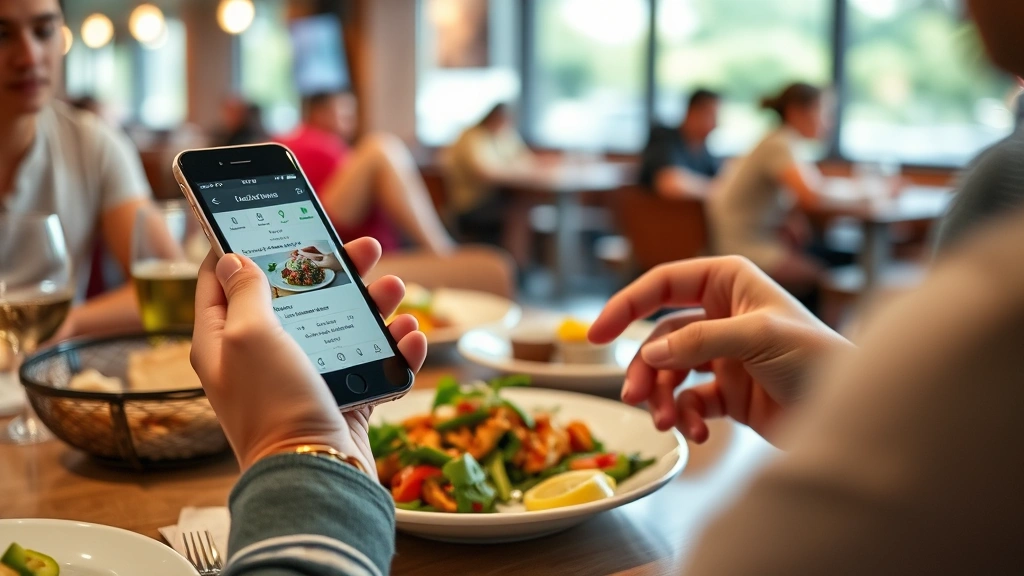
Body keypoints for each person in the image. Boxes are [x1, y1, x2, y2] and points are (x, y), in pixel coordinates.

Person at [0, 0, 154, 338]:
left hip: (47, 381)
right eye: (2, 35)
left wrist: (70, 322)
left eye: (43, 31)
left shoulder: (92, 143)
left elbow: (164, 286)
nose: (29, 57)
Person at [277, 91, 454, 255]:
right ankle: (441, 251)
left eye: (353, 116)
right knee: (379, 147)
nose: (352, 123)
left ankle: (440, 249)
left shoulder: (300, 141)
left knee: (381, 149)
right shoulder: (313, 142)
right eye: (345, 116)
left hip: (320, 217)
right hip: (321, 218)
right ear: (320, 114)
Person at [706, 82, 829, 298]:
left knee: (824, 257)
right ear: (796, 112)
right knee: (824, 275)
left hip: (758, 238)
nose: (827, 122)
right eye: (822, 111)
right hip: (744, 247)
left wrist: (790, 217)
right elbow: (810, 194)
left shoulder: (784, 141)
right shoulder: (779, 143)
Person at [442, 103, 537, 246]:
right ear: (493, 117)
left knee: (523, 206)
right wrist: (514, 168)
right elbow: (484, 173)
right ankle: (516, 265)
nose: (507, 124)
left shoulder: (504, 135)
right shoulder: (472, 136)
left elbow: (527, 160)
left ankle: (514, 263)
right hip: (471, 204)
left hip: (496, 197)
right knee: (518, 212)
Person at [638, 88, 722, 198]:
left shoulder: (704, 152)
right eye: (711, 116)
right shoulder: (663, 137)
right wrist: (718, 191)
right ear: (692, 112)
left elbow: (721, 181)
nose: (716, 125)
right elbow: (668, 182)